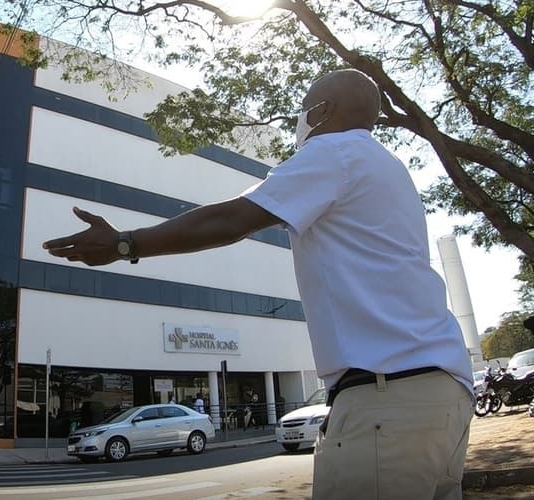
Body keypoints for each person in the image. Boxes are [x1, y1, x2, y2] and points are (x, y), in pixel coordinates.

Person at [42, 69, 474, 499]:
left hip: (388, 396)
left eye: (304, 110)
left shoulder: (334, 151)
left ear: (322, 111)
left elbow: (231, 219)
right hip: (444, 393)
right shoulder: (389, 168)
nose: (301, 121)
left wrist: (124, 243)